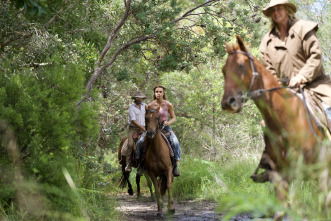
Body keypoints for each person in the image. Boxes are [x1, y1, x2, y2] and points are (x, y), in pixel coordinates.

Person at [259, 0, 331, 125]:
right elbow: (268, 72)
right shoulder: (266, 43)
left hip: (317, 86)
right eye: (273, 10)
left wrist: (301, 77)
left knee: (328, 111)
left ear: (287, 9)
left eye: (279, 8)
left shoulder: (303, 27)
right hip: (287, 92)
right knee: (269, 127)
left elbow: (315, 56)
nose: (276, 13)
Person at [137, 85, 181, 177]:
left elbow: (174, 118)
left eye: (160, 92)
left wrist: (168, 123)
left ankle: (176, 164)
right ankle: (140, 164)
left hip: (165, 128)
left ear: (163, 93)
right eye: (157, 92)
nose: (158, 93)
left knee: (176, 143)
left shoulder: (168, 105)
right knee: (140, 142)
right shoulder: (149, 105)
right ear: (154, 93)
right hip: (152, 129)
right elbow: (147, 118)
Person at [124, 90, 147, 172]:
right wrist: (143, 128)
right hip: (133, 128)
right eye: (138, 98)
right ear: (135, 99)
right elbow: (133, 120)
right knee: (130, 144)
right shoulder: (131, 107)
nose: (139, 100)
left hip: (144, 127)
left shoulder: (145, 106)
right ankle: (128, 164)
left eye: (141, 98)